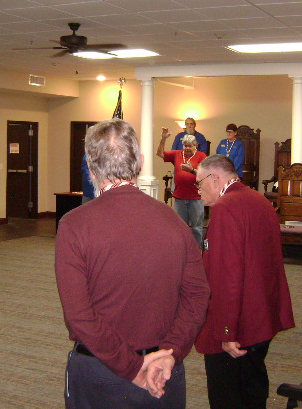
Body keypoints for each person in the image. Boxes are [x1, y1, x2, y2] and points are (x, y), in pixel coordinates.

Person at [55, 119, 210, 408]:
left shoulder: (74, 225)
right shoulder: (174, 221)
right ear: (140, 162)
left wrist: (132, 368)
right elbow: (198, 296)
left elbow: (79, 315)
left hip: (101, 371)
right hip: (163, 371)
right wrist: (171, 353)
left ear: (90, 168)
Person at [194, 154, 295, 409]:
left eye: (199, 183)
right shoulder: (258, 200)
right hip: (261, 316)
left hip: (238, 325)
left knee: (228, 395)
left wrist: (226, 330)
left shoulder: (225, 207)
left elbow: (227, 276)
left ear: (214, 178)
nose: (198, 191)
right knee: (253, 387)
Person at [157, 128, 207, 247]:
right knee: (180, 227)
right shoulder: (177, 154)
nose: (187, 148)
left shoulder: (201, 156)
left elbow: (205, 174)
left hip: (196, 198)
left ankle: (197, 250)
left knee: (196, 227)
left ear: (196, 146)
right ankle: (182, 249)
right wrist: (163, 139)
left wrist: (192, 170)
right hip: (179, 197)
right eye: (185, 145)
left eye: (190, 146)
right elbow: (160, 154)